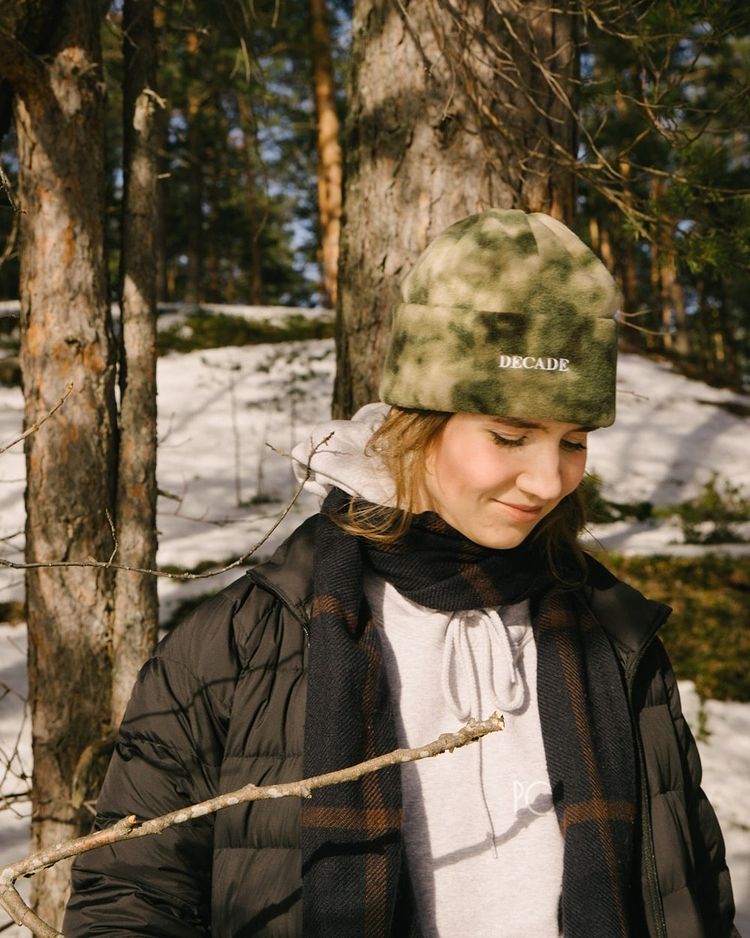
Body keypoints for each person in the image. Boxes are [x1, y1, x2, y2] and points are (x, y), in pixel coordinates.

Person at [64, 209, 737, 937]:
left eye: (572, 441)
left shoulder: (616, 636)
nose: (549, 481)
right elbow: (127, 905)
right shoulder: (241, 645)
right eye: (509, 436)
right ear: (419, 423)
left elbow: (694, 897)